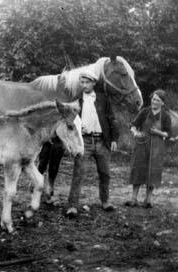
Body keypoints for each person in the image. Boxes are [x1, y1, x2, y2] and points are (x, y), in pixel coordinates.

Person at [66, 70, 119, 218]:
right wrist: (77, 126)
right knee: (78, 173)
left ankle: (105, 201)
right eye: (82, 82)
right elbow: (69, 121)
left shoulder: (103, 99)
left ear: (94, 83)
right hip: (84, 141)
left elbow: (111, 119)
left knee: (105, 173)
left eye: (87, 82)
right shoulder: (76, 100)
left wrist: (114, 139)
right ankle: (72, 206)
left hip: (102, 141)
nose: (84, 85)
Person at [125, 89, 172, 208]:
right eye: (153, 99)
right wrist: (135, 133)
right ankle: (134, 198)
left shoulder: (165, 116)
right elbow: (133, 126)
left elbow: (168, 134)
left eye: (157, 100)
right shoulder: (144, 112)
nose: (154, 101)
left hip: (157, 147)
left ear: (162, 103)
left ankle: (148, 199)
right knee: (138, 169)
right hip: (142, 144)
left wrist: (158, 132)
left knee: (153, 171)